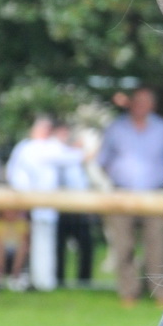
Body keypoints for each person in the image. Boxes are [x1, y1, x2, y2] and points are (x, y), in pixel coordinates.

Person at [97, 87, 163, 304]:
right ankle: (128, 293)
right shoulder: (115, 128)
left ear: (152, 105)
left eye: (145, 101)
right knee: (123, 246)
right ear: (130, 103)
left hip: (155, 195)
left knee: (158, 247)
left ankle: (160, 294)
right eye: (137, 101)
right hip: (121, 194)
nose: (141, 105)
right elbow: (102, 160)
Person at [5, 115, 84, 292]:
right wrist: (80, 149)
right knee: (32, 242)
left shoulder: (37, 146)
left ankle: (41, 280)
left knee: (41, 242)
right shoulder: (39, 147)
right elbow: (75, 158)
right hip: (28, 204)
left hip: (37, 204)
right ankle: (38, 280)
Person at [53, 122, 95, 286]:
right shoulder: (57, 151)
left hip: (80, 206)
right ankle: (59, 279)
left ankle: (84, 280)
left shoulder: (74, 154)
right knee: (59, 247)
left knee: (86, 245)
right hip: (62, 206)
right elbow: (87, 155)